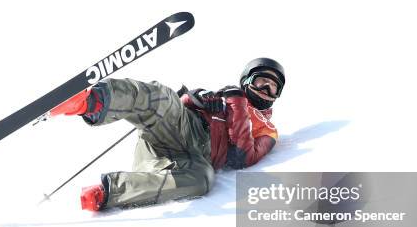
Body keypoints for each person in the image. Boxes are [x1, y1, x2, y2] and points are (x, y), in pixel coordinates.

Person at [49, 57, 286, 211]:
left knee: (202, 180)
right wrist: (195, 98)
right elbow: (178, 107)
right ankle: (89, 102)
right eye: (261, 82)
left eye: (272, 87)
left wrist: (238, 102)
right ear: (247, 81)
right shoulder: (228, 95)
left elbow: (242, 158)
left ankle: (108, 192)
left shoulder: (267, 129)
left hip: (195, 158)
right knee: (162, 97)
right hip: (184, 130)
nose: (266, 90)